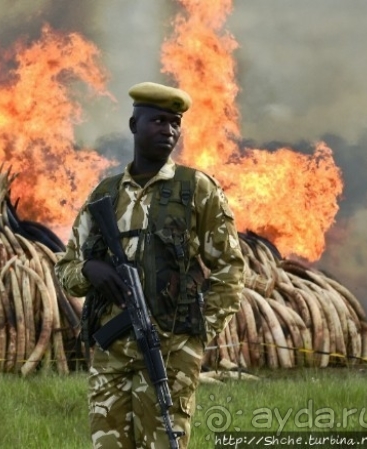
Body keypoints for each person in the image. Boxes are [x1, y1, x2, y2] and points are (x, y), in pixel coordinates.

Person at [55, 82, 245, 448]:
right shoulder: (105, 195)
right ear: (133, 125)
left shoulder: (196, 189)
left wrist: (198, 333)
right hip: (111, 356)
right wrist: (89, 271)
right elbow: (66, 267)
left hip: (170, 353)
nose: (169, 130)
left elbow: (230, 269)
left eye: (175, 123)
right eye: (158, 120)